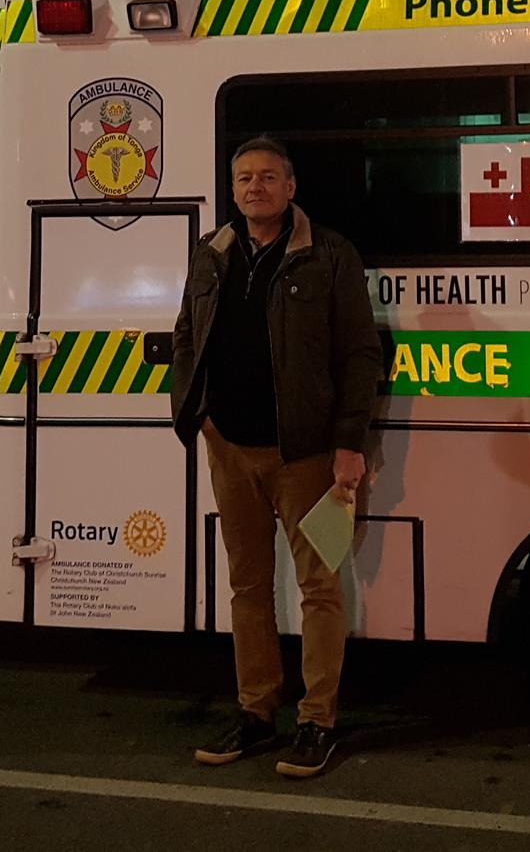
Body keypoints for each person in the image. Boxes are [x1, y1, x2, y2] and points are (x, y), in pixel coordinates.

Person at [170, 135, 382, 779]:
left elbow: (360, 354)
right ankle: (256, 712)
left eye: (267, 177)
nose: (254, 187)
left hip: (306, 455)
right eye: (244, 178)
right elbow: (186, 336)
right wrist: (199, 416)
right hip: (230, 449)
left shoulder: (330, 254)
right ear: (233, 190)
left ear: (291, 187)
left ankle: (317, 721)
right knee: (247, 587)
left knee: (320, 588)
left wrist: (349, 444)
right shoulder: (212, 253)